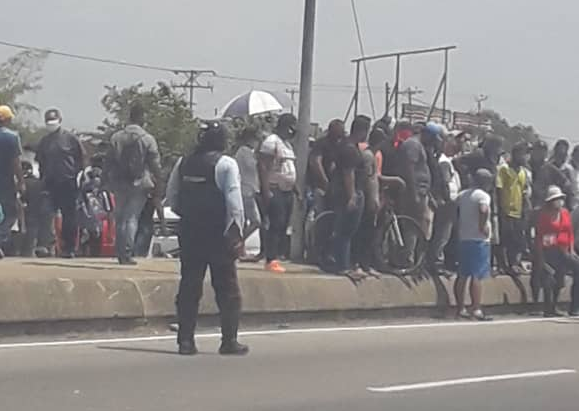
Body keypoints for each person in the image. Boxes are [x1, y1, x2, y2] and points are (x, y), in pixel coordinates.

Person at [168, 121, 248, 356]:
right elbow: (235, 204)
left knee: (189, 285)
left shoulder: (183, 162)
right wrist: (236, 233)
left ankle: (185, 341)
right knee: (227, 288)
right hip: (218, 235)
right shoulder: (226, 164)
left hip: (191, 232)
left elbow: (172, 198)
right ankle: (229, 340)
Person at [107, 102, 163, 265]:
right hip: (140, 183)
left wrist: (106, 181)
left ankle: (119, 251)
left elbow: (108, 161)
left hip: (119, 182)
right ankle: (126, 252)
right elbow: (155, 165)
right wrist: (159, 181)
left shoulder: (116, 137)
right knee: (131, 218)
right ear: (142, 118)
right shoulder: (147, 139)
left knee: (120, 217)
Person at [36, 108, 83, 258]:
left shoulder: (70, 139)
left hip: (68, 183)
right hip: (50, 183)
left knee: (69, 217)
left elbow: (81, 158)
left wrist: (77, 175)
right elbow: (41, 161)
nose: (51, 124)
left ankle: (68, 248)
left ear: (60, 120)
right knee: (46, 213)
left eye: (53, 121)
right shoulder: (44, 142)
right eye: (48, 122)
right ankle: (45, 245)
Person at [329, 115, 370, 275]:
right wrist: (352, 195)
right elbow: (348, 173)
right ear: (362, 131)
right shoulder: (350, 149)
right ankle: (343, 266)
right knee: (346, 230)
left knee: (346, 231)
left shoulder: (345, 145)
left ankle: (344, 264)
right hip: (349, 193)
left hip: (344, 191)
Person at [258, 113, 298, 273]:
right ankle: (270, 259)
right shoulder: (271, 142)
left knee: (283, 226)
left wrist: (296, 188)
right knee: (276, 224)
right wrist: (266, 190)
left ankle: (276, 257)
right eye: (291, 127)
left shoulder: (287, 145)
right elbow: (263, 166)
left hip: (287, 191)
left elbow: (288, 168)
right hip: (275, 189)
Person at [398, 122, 442, 264]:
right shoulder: (413, 145)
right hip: (413, 192)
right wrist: (414, 193)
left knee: (419, 226)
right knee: (412, 226)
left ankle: (413, 258)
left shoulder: (421, 146)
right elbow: (409, 169)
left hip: (422, 191)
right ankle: (407, 258)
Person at [454, 168, 494, 321]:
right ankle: (476, 308)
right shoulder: (483, 196)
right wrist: (482, 226)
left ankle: (460, 308)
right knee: (477, 275)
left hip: (464, 238)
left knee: (462, 274)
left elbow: (454, 210)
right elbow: (483, 210)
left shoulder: (462, 195)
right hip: (479, 240)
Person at [535, 186, 579, 317]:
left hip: (564, 251)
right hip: (549, 251)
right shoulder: (544, 216)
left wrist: (571, 249)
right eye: (556, 199)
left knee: (563, 278)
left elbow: (569, 232)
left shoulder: (565, 213)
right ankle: (549, 308)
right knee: (550, 279)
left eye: (560, 199)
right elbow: (539, 237)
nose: (559, 202)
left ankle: (574, 305)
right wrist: (541, 258)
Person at [427, 130, 463, 275]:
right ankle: (435, 263)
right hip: (447, 203)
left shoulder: (449, 161)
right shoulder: (443, 162)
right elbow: (446, 184)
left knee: (447, 234)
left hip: (451, 202)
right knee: (442, 234)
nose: (458, 145)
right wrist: (448, 200)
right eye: (455, 141)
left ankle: (439, 262)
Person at [496, 142, 529, 275]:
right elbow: (498, 189)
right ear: (516, 154)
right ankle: (501, 265)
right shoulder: (504, 169)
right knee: (503, 240)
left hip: (518, 212)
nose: (525, 157)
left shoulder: (523, 172)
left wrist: (526, 209)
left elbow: (524, 192)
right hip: (505, 211)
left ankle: (513, 265)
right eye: (523, 154)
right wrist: (499, 209)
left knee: (516, 241)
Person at [0, 105, 25, 258]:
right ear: (7, 119)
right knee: (11, 213)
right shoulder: (12, 137)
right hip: (6, 181)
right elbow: (16, 162)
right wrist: (21, 181)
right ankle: (1, 239)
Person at [308, 119, 345, 213]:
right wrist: (325, 182)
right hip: (319, 187)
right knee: (319, 213)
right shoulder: (322, 143)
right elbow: (316, 162)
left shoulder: (340, 145)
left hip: (334, 189)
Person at [235, 126, 262, 243]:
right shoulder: (244, 151)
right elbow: (253, 166)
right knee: (256, 221)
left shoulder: (247, 152)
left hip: (249, 190)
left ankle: (240, 248)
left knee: (245, 222)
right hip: (246, 191)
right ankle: (238, 242)